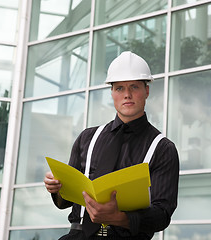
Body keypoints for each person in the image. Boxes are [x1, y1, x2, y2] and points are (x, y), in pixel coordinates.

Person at [44, 51, 179, 240]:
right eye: (120, 89)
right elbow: (64, 202)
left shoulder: (163, 148)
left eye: (134, 87)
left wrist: (120, 218)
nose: (127, 95)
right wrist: (56, 188)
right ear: (112, 93)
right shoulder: (87, 138)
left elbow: (162, 214)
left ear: (146, 91)